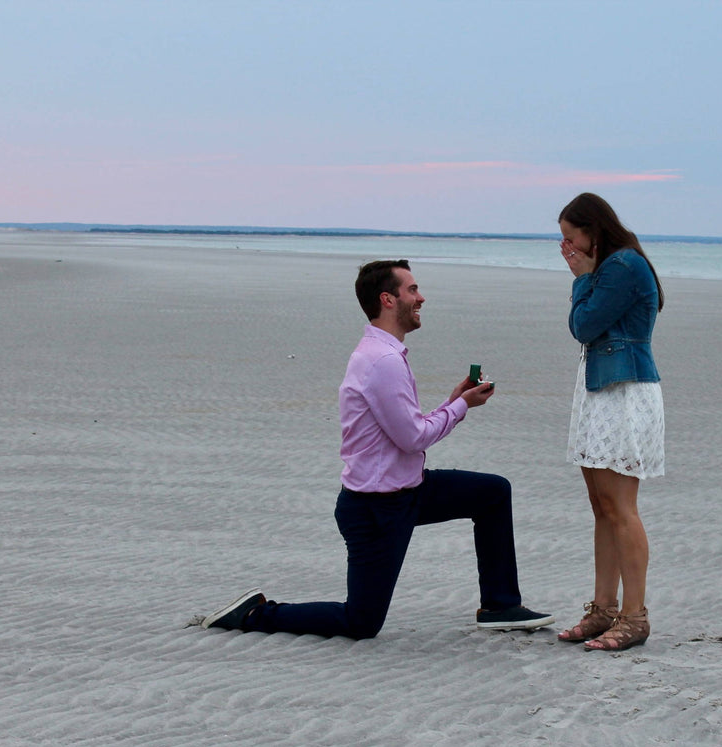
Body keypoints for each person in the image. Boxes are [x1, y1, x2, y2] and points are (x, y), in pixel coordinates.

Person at [194, 259, 553, 640]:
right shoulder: (382, 361)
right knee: (360, 623)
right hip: (376, 509)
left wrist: (454, 401)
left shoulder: (384, 354)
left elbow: (405, 428)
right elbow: (413, 438)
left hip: (408, 491)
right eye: (412, 290)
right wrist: (462, 406)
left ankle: (500, 605)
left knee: (492, 493)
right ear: (387, 299)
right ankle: (255, 614)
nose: (421, 297)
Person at [554, 193, 664, 652]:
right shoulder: (608, 267)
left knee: (621, 508)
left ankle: (633, 615)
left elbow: (583, 326)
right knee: (602, 507)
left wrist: (581, 279)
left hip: (624, 392)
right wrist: (585, 276)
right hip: (600, 389)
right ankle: (602, 608)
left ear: (592, 231)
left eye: (570, 238)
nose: (567, 248)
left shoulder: (622, 266)